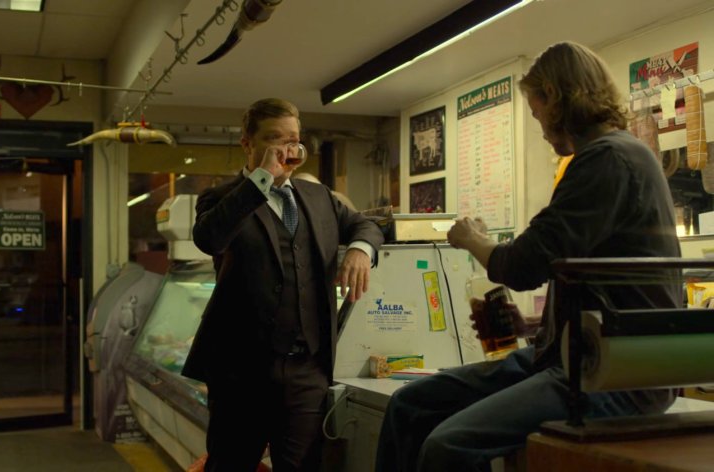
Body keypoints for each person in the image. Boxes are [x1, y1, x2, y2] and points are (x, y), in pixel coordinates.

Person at [375, 41, 681, 472]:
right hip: (570, 353)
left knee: (448, 446)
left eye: (537, 113)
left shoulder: (608, 159)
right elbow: (594, 277)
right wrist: (536, 325)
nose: (539, 128)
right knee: (409, 405)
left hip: (614, 374)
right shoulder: (613, 157)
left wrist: (472, 239)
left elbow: (521, 266)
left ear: (556, 99)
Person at [182, 98, 384, 471]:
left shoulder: (319, 197)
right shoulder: (221, 198)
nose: (287, 148)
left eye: (293, 139)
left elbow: (367, 225)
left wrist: (358, 249)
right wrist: (262, 179)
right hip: (241, 373)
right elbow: (209, 238)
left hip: (307, 370)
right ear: (248, 143)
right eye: (275, 138)